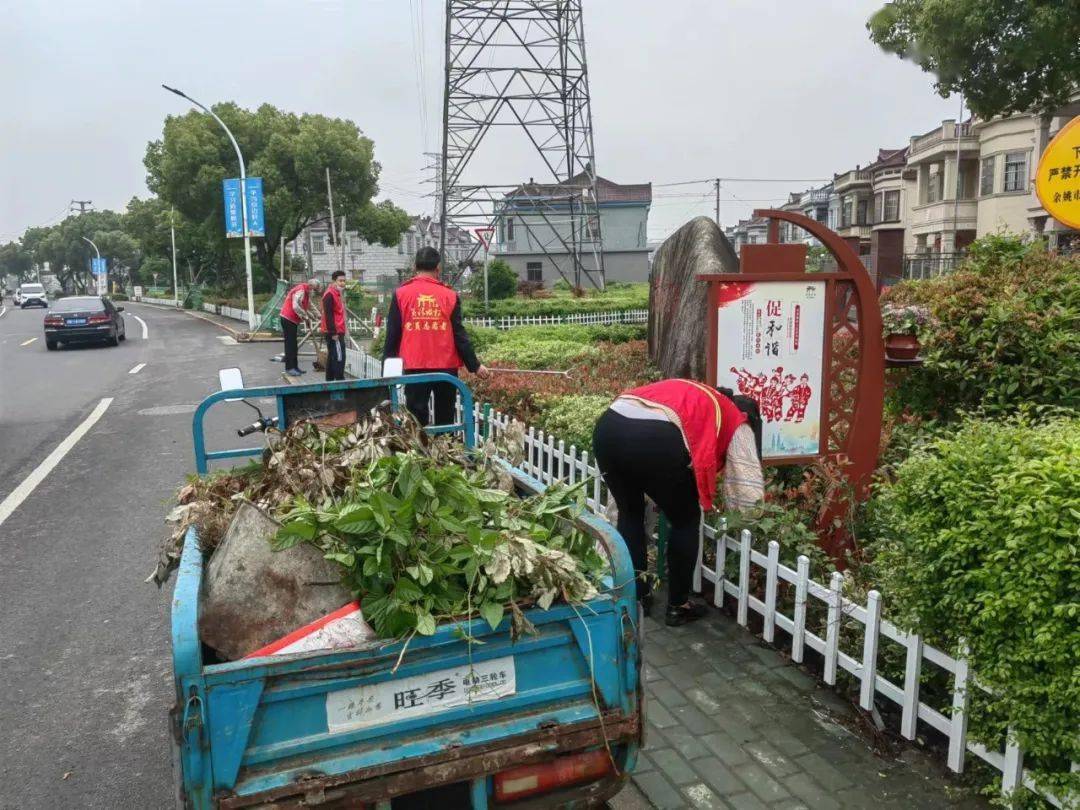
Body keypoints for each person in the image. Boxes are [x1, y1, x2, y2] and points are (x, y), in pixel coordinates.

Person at [592, 379, 765, 626]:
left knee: (630, 512)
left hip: (609, 426)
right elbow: (747, 482)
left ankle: (637, 597)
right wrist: (749, 514)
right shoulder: (737, 418)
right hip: (654, 438)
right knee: (685, 520)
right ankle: (678, 606)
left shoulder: (700, 393)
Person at [382, 247, 488, 425]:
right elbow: (459, 334)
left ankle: (419, 451)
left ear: (415, 266)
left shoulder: (401, 294)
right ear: (438, 268)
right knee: (445, 416)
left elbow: (393, 334)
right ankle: (445, 448)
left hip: (414, 365)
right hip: (445, 367)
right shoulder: (450, 295)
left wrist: (387, 371)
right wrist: (475, 366)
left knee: (416, 418)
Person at [279, 277, 323, 376]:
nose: (314, 292)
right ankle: (290, 368)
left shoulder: (306, 293)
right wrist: (306, 317)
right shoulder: (301, 290)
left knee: (294, 344)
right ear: (311, 286)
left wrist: (318, 316)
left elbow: (309, 305)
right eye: (315, 290)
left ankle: (295, 367)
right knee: (290, 344)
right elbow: (295, 306)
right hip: (287, 318)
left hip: (292, 320)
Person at [320, 270, 349, 381]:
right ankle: (339, 379)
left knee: (333, 356)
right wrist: (333, 332)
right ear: (334, 281)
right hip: (334, 331)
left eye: (344, 281)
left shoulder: (337, 293)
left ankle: (330, 380)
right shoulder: (329, 294)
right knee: (339, 357)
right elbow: (328, 315)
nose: (342, 283)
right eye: (340, 281)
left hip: (338, 329)